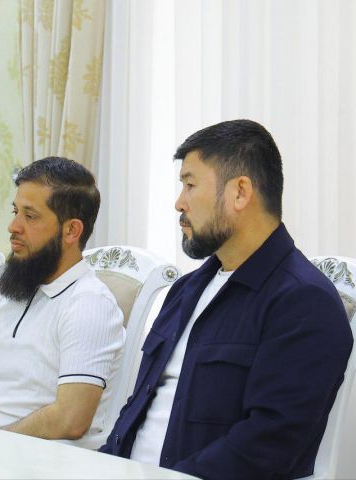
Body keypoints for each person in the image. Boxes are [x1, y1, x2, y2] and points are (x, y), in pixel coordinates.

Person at [99, 120, 353, 478]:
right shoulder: (185, 291)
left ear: (240, 192)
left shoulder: (304, 302)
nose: (179, 203)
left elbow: (269, 445)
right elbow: (137, 408)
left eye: (190, 185)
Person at [0, 157, 125, 449]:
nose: (13, 226)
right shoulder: (5, 293)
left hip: (41, 462)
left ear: (71, 231)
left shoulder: (89, 304)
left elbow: (70, 419)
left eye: (30, 216)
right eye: (15, 212)